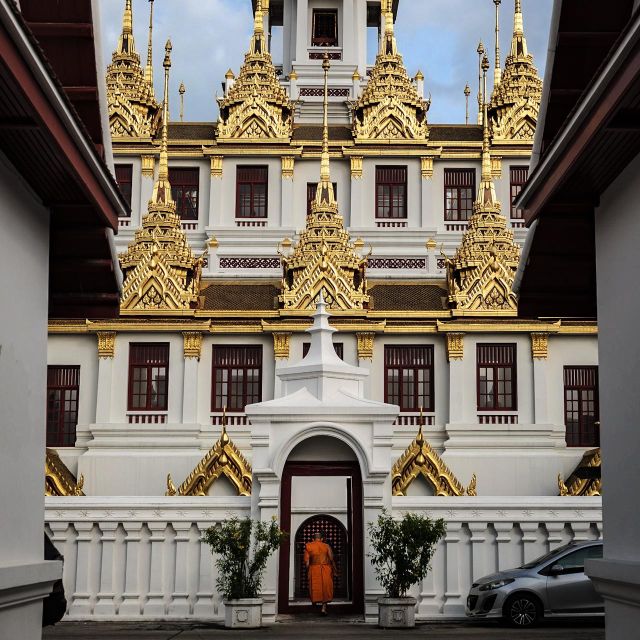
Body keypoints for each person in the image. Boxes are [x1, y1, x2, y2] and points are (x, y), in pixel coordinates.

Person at [304, 531, 337, 615]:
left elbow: (307, 562)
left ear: (313, 539)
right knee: (325, 587)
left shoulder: (308, 546)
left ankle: (314, 603)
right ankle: (323, 608)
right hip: (325, 568)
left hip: (314, 569)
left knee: (314, 586)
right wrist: (334, 570)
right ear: (322, 539)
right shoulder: (326, 546)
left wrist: (307, 570)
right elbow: (331, 558)